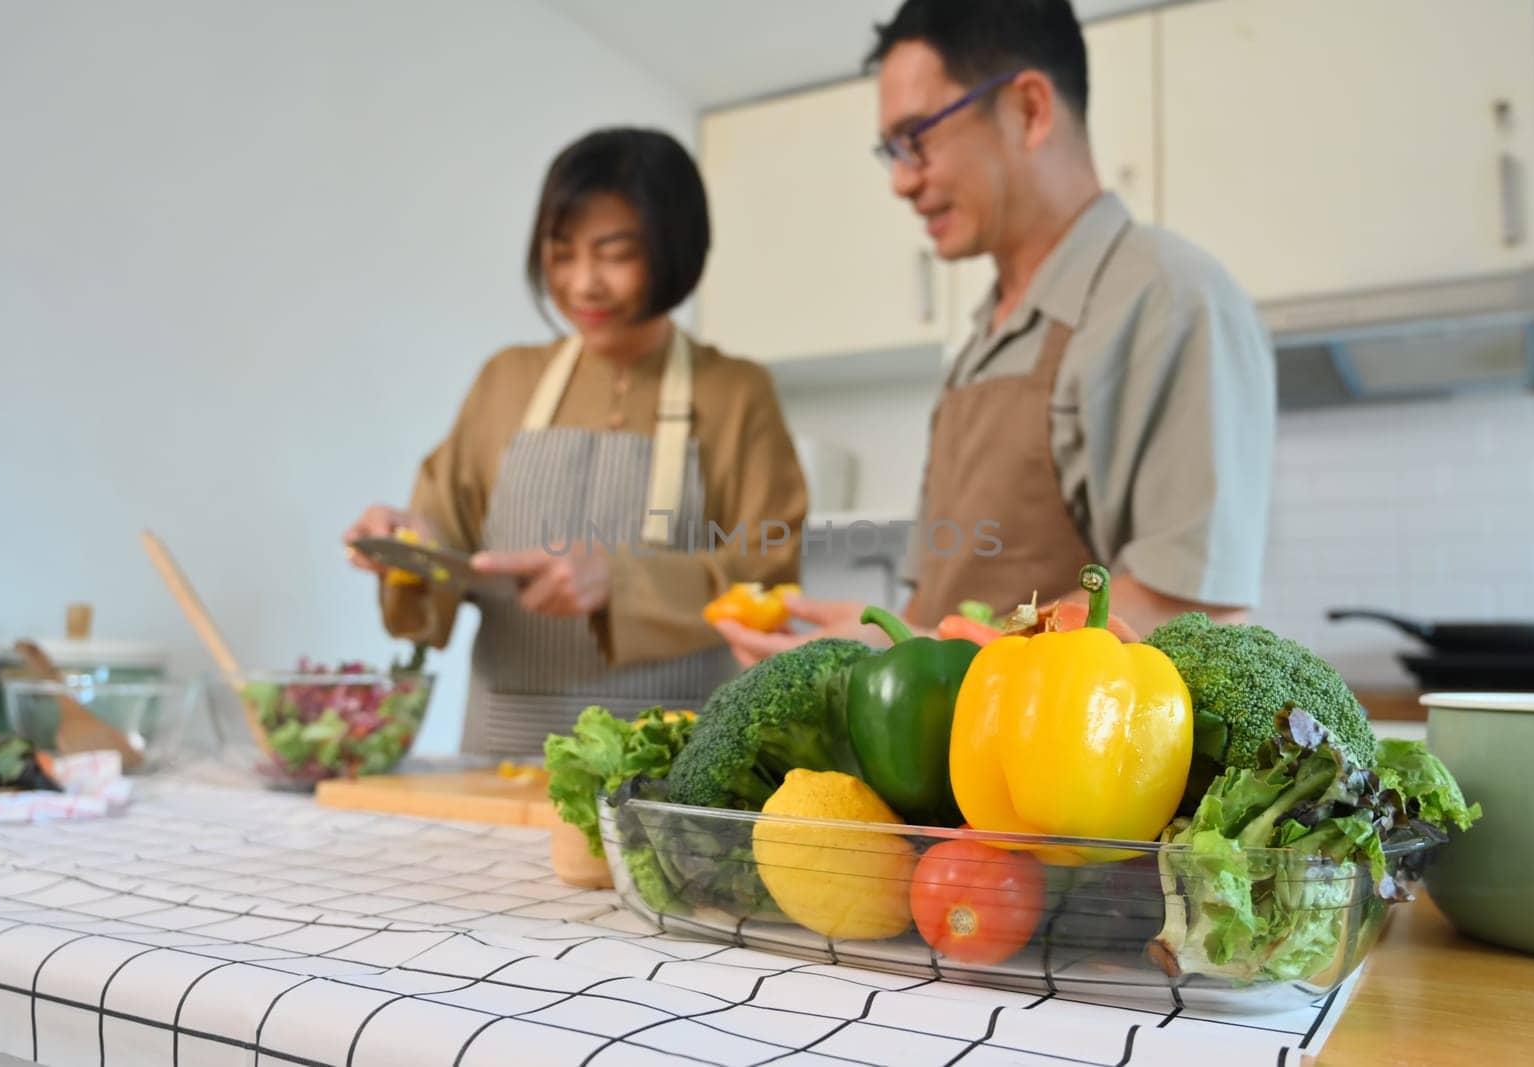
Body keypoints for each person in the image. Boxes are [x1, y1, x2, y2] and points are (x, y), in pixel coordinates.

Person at [715, 0, 1275, 665]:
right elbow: (940, 618)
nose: (900, 180)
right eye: (891, 150)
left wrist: (925, 650)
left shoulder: (1168, 298)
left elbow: (1190, 609)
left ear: (1029, 110)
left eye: (916, 137)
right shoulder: (979, 340)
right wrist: (876, 644)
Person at [346, 128, 806, 754]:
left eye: (615, 254)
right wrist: (411, 552)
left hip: (672, 753)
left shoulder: (735, 393)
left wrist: (621, 581)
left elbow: (766, 575)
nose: (583, 283)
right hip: (503, 746)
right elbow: (443, 536)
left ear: (676, 248)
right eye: (561, 253)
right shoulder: (505, 379)